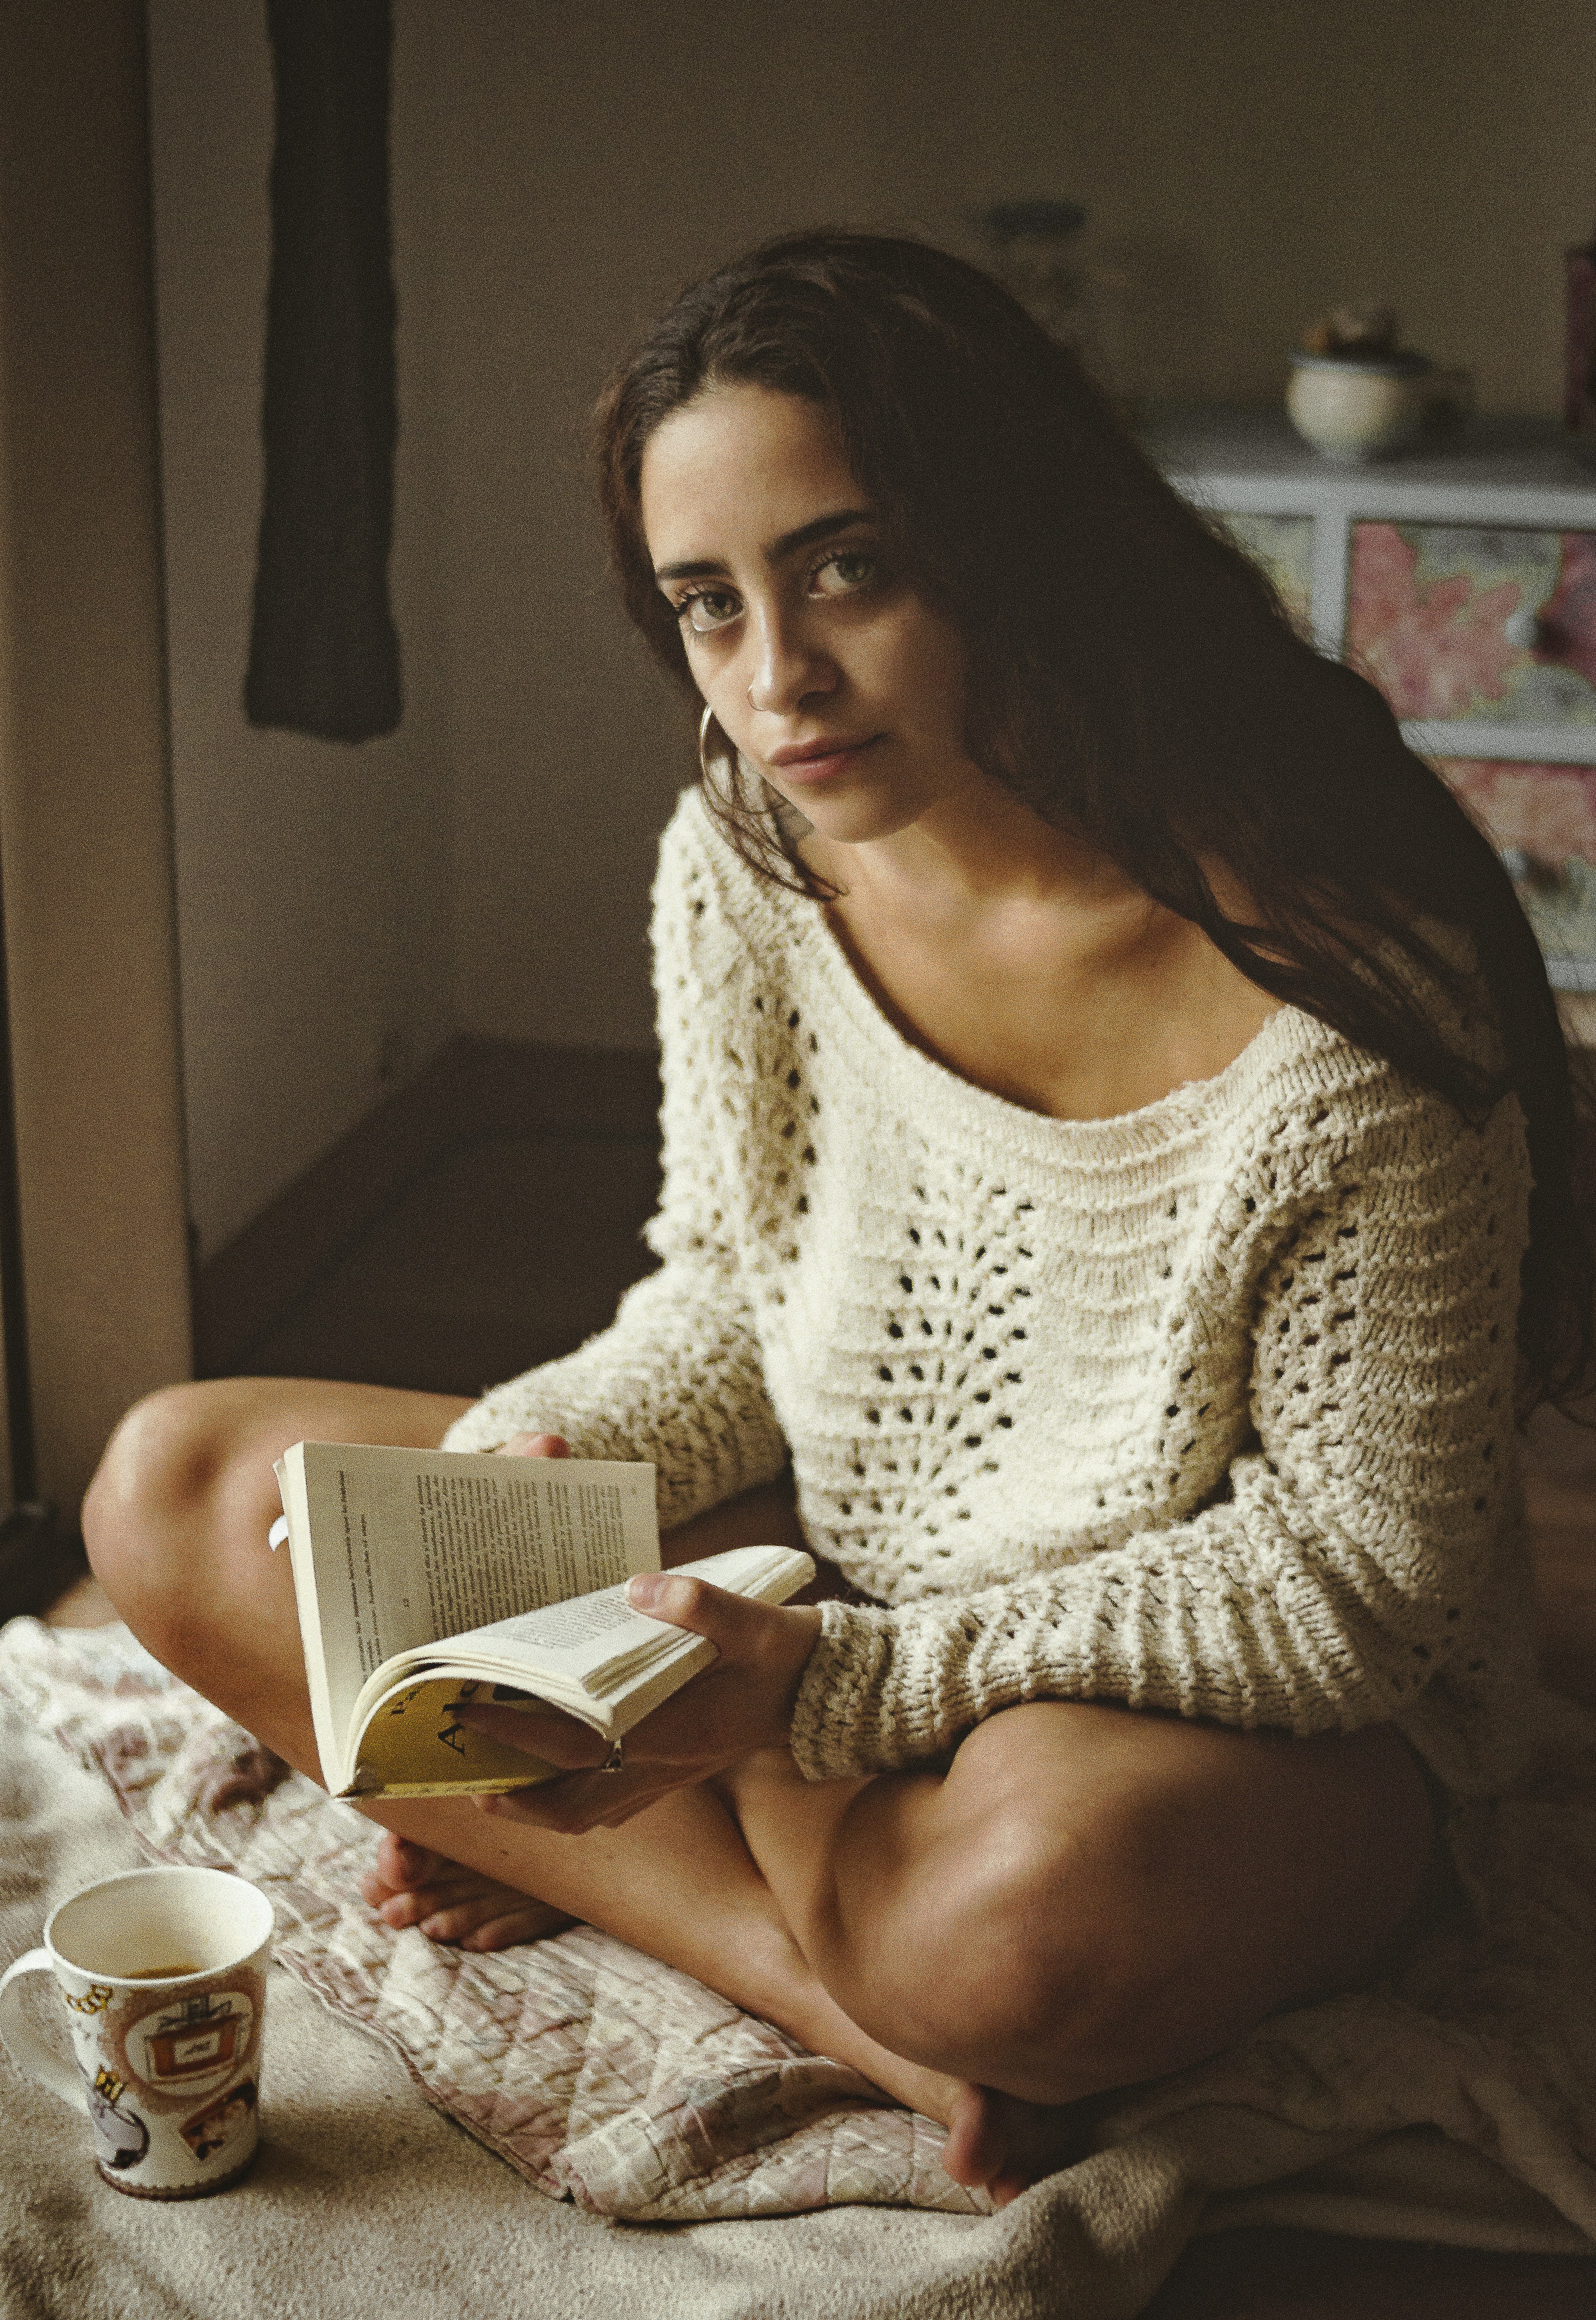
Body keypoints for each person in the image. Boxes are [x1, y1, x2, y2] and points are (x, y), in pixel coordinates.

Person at [83, 233, 1590, 2207]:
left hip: (1207, 1707)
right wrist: (519, 1466)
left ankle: (703, 1858)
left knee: (1016, 1923)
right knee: (181, 1483)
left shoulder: (1345, 990)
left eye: (846, 567)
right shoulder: (747, 848)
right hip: (838, 1575)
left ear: (1012, 537)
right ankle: (840, 1997)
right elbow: (731, 1285)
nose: (775, 679)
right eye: (709, 604)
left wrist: (807, 1692)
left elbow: (1349, 1586)